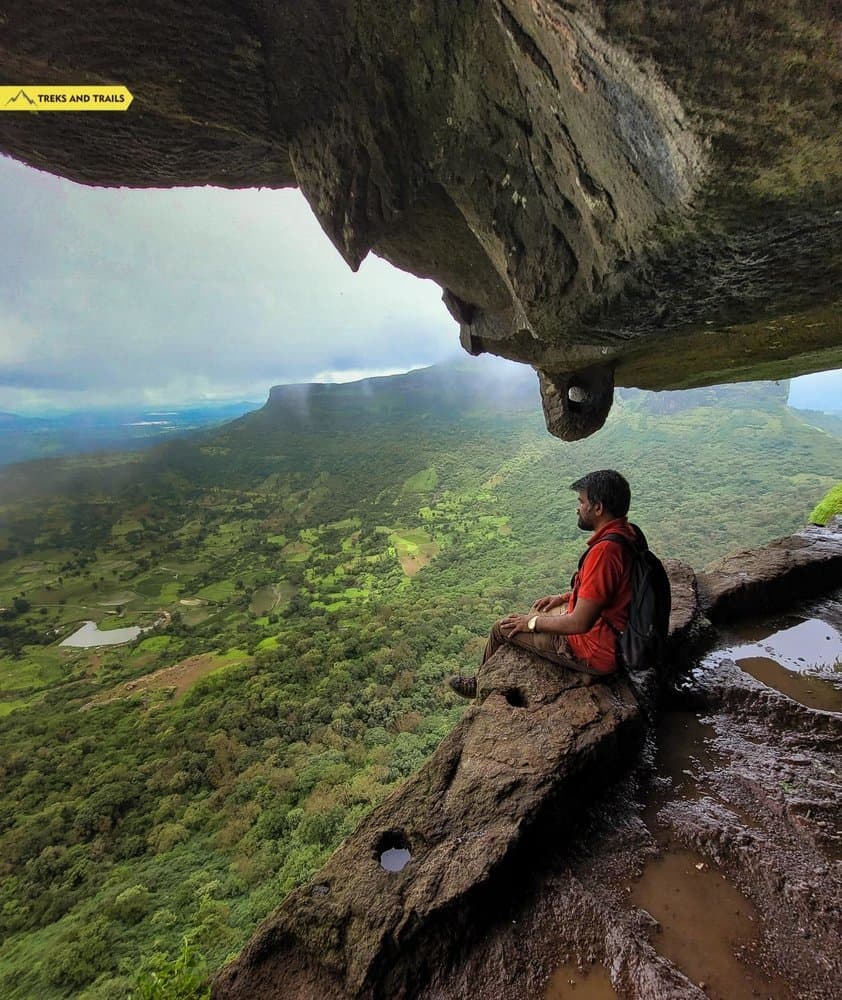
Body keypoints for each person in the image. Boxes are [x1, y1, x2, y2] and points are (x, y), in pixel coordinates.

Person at [448, 469, 637, 698]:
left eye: (582, 502)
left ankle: (479, 685)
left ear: (598, 508)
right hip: (615, 634)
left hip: (597, 649)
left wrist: (532, 623)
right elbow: (610, 592)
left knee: (502, 628)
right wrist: (566, 598)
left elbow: (580, 622)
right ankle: (580, 668)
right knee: (540, 609)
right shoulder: (627, 534)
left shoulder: (605, 552)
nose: (577, 508)